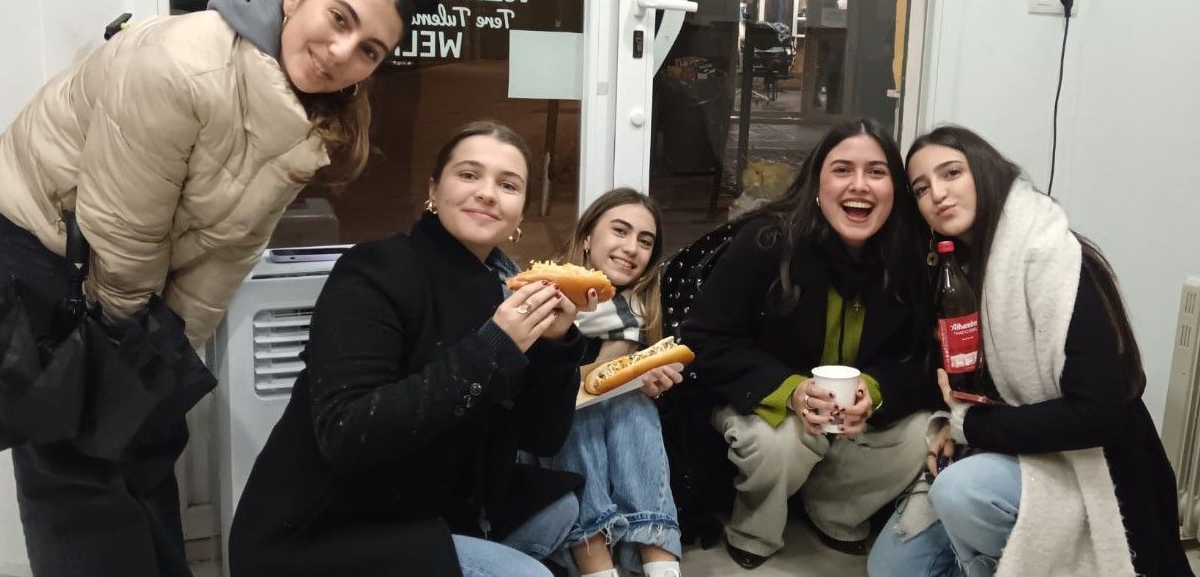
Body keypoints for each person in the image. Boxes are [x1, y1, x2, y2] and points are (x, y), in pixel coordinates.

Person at [0, 0, 407, 576]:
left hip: (126, 249)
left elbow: (231, 249)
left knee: (148, 433)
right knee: (70, 454)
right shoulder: (180, 63)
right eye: (338, 19)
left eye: (369, 50)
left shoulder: (311, 114)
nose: (342, 52)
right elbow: (122, 232)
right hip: (39, 232)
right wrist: (122, 354)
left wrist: (165, 353)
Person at [228, 122, 592, 577]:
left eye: (508, 184)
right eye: (468, 175)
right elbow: (347, 434)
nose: (487, 193)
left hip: (428, 505)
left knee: (557, 510)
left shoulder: (503, 291)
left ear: (519, 215)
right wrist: (494, 347)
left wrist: (555, 346)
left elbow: (541, 437)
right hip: (329, 530)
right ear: (433, 191)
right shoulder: (375, 271)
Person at [867, 125, 1191, 577]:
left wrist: (971, 427)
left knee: (961, 493)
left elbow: (1099, 414)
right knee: (893, 568)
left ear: (985, 172)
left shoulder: (1053, 260)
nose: (937, 194)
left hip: (1085, 462)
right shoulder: (951, 271)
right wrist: (951, 427)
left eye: (952, 173)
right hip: (1004, 449)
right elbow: (957, 380)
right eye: (921, 189)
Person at [680, 118, 938, 569]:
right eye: (842, 170)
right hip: (766, 403)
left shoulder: (912, 256)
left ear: (895, 190)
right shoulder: (767, 240)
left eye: (876, 172)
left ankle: (834, 511)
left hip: (857, 421)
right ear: (817, 182)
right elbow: (704, 337)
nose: (860, 186)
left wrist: (875, 390)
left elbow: (924, 358)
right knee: (777, 443)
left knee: (924, 432)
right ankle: (756, 527)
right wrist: (791, 390)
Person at [542, 188, 683, 577]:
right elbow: (531, 389)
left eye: (645, 241)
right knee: (574, 402)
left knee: (633, 403)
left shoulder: (646, 311)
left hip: (625, 450)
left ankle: (661, 565)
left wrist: (656, 386)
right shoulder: (543, 294)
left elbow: (669, 415)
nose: (631, 248)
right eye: (620, 231)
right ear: (587, 238)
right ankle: (597, 566)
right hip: (542, 440)